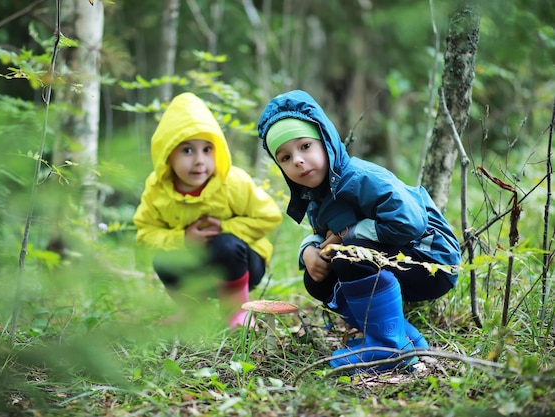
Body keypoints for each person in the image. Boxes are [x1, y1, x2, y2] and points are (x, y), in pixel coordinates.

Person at [257, 89, 461, 372]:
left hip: (430, 260)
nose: (298, 160)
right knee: (317, 278)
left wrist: (349, 233)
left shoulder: (361, 178)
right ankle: (406, 341)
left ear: (326, 141)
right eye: (285, 157)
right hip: (394, 258)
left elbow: (411, 222)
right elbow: (324, 233)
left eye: (305, 146)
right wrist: (308, 251)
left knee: (348, 255)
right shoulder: (318, 195)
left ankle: (386, 351)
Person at [133, 92, 283, 329]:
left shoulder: (232, 182)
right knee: (163, 258)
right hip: (195, 268)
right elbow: (145, 234)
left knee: (225, 245)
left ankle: (236, 311)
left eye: (207, 149)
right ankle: (193, 312)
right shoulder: (157, 190)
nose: (199, 161)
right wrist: (182, 239)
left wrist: (225, 227)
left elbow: (269, 216)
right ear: (167, 154)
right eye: (187, 151)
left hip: (241, 264)